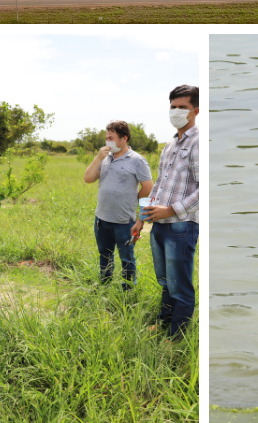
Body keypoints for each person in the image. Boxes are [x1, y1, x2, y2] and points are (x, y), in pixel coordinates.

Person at [133, 84, 199, 339]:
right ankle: (164, 322)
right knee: (165, 281)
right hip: (159, 224)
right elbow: (159, 184)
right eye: (173, 107)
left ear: (195, 110)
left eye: (182, 107)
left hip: (181, 225)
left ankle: (176, 336)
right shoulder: (171, 144)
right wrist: (142, 218)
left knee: (180, 285)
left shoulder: (197, 143)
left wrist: (171, 210)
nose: (176, 112)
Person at [84, 121, 153, 290]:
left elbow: (149, 187)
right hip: (102, 218)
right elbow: (88, 178)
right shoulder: (105, 158)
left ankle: (128, 291)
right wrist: (98, 157)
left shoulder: (137, 161)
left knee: (127, 258)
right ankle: (104, 287)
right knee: (104, 256)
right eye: (106, 137)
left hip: (124, 220)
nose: (108, 141)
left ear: (124, 138)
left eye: (111, 138)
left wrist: (132, 198)